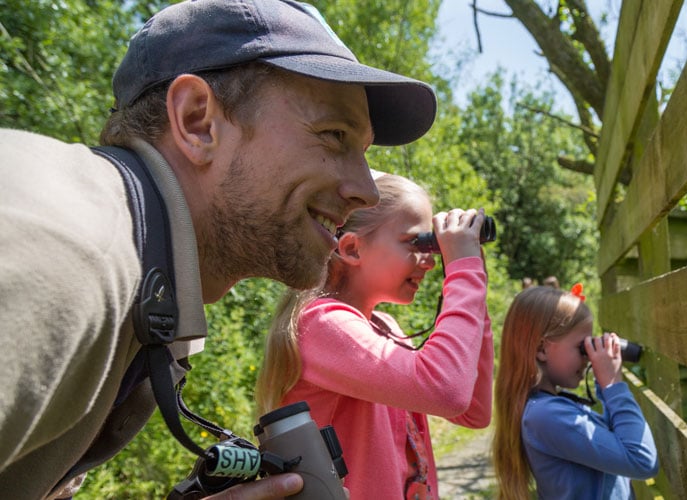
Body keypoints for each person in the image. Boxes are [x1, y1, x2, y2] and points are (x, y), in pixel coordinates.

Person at [0, 0, 437, 498]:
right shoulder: (62, 253)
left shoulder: (140, 267)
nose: (367, 190)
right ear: (197, 120)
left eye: (363, 152)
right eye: (334, 135)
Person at [256, 173, 493, 499]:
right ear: (352, 248)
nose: (431, 261)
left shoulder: (386, 327)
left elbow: (472, 411)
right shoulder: (323, 325)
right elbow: (446, 391)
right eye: (417, 242)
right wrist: (463, 273)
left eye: (434, 246)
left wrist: (472, 289)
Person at [492, 286, 659, 500]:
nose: (588, 356)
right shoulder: (547, 416)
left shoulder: (549, 408)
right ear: (542, 350)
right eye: (582, 347)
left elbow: (616, 441)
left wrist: (605, 384)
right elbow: (642, 460)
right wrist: (613, 386)